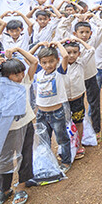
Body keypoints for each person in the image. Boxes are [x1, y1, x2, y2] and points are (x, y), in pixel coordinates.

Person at [0, 50, 38, 204]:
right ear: (5, 76)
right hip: (5, 130)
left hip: (25, 125)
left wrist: (18, 50)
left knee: (25, 155)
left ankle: (21, 186)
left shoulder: (25, 82)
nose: (20, 76)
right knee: (4, 159)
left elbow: (34, 62)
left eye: (22, 72)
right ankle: (4, 189)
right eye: (15, 74)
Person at [31, 42, 73, 173]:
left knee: (62, 139)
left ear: (57, 60)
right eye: (44, 62)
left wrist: (58, 44)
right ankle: (47, 162)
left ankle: (66, 161)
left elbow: (65, 56)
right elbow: (30, 58)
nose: (48, 65)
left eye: (51, 61)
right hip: (41, 113)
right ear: (40, 63)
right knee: (44, 140)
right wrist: (38, 46)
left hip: (57, 113)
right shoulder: (38, 72)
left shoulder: (59, 72)